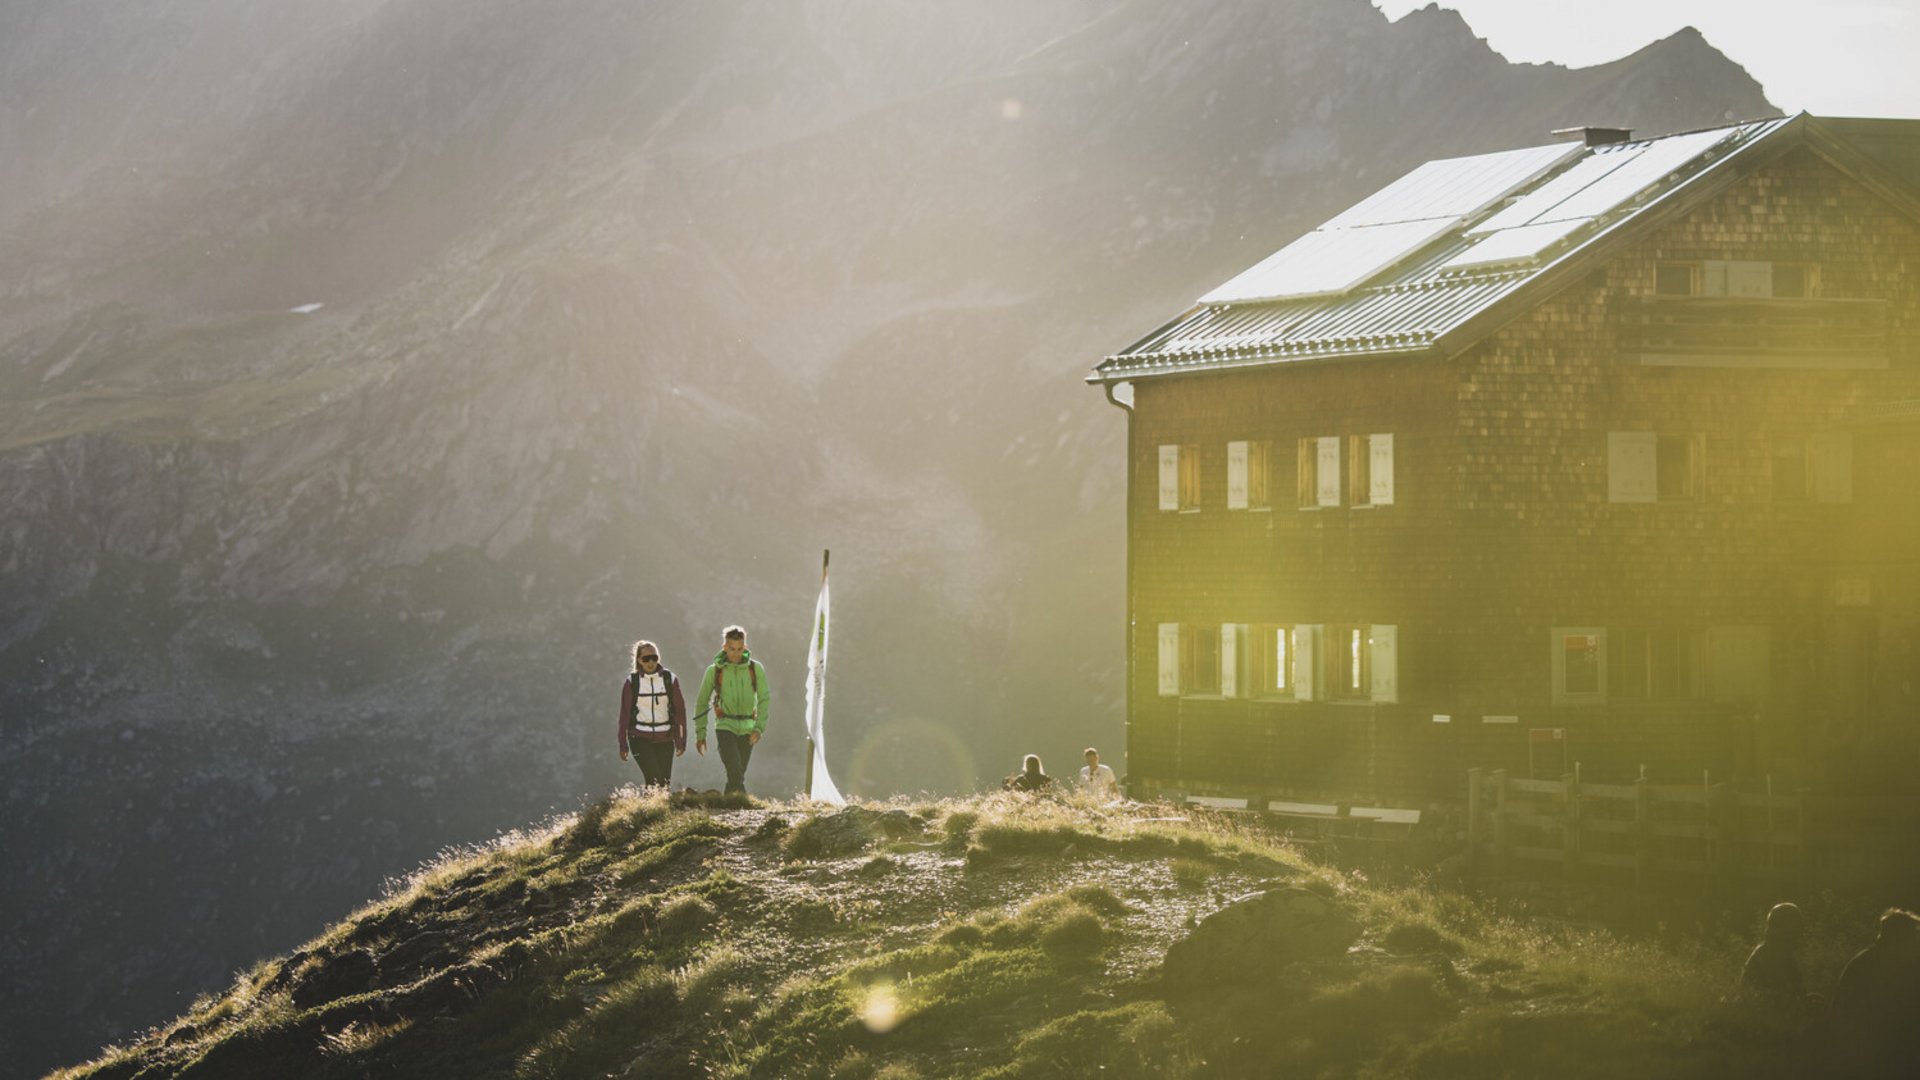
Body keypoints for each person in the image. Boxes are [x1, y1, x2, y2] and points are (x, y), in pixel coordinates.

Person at [1830, 908, 1920, 1073]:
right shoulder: (1879, 966)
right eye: (1912, 936)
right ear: (1900, 937)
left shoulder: (1862, 962)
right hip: (1878, 1056)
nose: (1916, 942)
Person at [692, 625, 770, 796]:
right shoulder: (714, 670)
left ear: (745, 647)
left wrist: (759, 728)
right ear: (724, 647)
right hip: (724, 726)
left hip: (749, 727)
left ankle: (729, 806)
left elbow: (764, 698)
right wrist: (701, 734)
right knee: (735, 770)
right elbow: (701, 702)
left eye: (740, 649)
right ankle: (744, 805)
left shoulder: (755, 669)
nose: (736, 653)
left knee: (737, 774)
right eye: (732, 649)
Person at [618, 640, 687, 789]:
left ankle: (658, 810)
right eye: (646, 658)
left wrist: (681, 739)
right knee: (653, 778)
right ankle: (652, 810)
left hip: (666, 737)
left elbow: (680, 712)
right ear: (638, 660)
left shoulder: (670, 679)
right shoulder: (632, 682)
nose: (651, 662)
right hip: (639, 737)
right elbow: (624, 715)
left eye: (654, 658)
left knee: (664, 783)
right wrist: (623, 744)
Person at [1740, 901, 1806, 1002]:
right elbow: (1783, 995)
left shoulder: (1784, 956)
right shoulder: (1768, 955)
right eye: (1795, 929)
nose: (1799, 936)